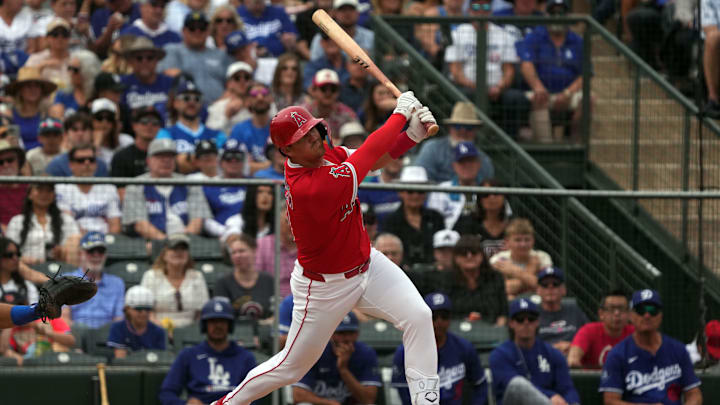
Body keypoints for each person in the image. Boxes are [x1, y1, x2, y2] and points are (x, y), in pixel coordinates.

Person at [209, 93, 440, 405]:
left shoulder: (324, 155)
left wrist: (411, 136)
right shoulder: (310, 186)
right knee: (290, 367)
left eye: (314, 130)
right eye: (303, 138)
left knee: (419, 316)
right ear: (286, 150)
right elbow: (370, 152)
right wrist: (399, 117)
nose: (315, 139)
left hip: (366, 264)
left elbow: (373, 160)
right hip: (324, 287)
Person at [599, 289, 703, 405]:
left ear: (660, 316)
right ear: (631, 316)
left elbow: (694, 394)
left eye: (653, 310)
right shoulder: (618, 354)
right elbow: (610, 401)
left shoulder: (678, 350)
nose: (647, 315)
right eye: (640, 310)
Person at [444, 0, 529, 138]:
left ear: (491, 10)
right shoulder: (458, 33)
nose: (481, 10)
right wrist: (477, 87)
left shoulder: (503, 34)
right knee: (464, 96)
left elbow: (509, 70)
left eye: (486, 6)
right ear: (470, 10)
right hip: (469, 87)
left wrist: (499, 86)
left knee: (515, 98)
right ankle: (472, 138)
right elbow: (456, 71)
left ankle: (508, 140)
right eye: (476, 7)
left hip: (497, 88)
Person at [392, 293, 486, 405]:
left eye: (444, 316)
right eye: (434, 316)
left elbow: (480, 385)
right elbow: (403, 395)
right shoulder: (405, 352)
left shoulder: (464, 347)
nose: (439, 321)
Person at [160, 298, 257, 405]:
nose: (218, 326)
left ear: (230, 325)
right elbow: (167, 393)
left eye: (222, 321)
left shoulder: (245, 357)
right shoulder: (189, 355)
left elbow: (255, 396)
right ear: (204, 325)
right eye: (213, 321)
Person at [517, 0, 586, 142]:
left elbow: (586, 75)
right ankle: (545, 144)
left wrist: (567, 93)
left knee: (588, 99)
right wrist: (538, 87)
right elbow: (526, 65)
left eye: (561, 13)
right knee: (538, 98)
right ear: (546, 15)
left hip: (568, 93)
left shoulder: (577, 41)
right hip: (542, 92)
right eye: (553, 13)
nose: (557, 16)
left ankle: (574, 144)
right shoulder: (535, 36)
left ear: (568, 16)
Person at [489, 298, 581, 405]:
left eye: (531, 319)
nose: (526, 323)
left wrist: (572, 402)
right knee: (518, 384)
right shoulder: (500, 354)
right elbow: (515, 389)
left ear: (537, 322)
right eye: (520, 319)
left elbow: (567, 388)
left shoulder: (552, 353)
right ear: (511, 323)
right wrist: (549, 396)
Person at [121, 138, 212, 239]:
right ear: (148, 161)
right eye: (160, 156)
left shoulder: (189, 183)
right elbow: (140, 225)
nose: (166, 160)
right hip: (151, 242)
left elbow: (197, 221)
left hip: (187, 241)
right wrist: (167, 243)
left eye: (170, 156)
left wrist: (183, 240)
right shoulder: (136, 185)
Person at [292, 312, 382, 405]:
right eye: (341, 333)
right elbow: (298, 395)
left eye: (351, 333)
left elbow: (368, 400)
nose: (346, 338)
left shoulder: (366, 353)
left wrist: (343, 370)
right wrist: (329, 403)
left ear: (357, 334)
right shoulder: (313, 352)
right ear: (330, 333)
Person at [158, 12, 232, 103]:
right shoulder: (172, 50)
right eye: (192, 28)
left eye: (202, 28)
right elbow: (170, 74)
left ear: (208, 31)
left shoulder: (221, 55)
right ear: (183, 31)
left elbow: (235, 81)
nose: (197, 32)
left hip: (219, 108)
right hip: (186, 107)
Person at [141, 233, 210, 330]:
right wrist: (163, 331)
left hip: (190, 332)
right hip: (157, 330)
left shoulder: (197, 277)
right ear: (164, 254)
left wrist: (192, 332)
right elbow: (146, 311)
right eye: (174, 248)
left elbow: (202, 312)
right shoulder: (151, 276)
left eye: (183, 249)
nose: (179, 252)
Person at [413, 101, 494, 184]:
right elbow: (419, 183)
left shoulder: (484, 160)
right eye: (458, 126)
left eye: (469, 127)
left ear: (476, 130)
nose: (463, 131)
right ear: (450, 128)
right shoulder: (432, 149)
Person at [156, 80, 226, 173]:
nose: (192, 102)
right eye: (186, 98)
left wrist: (188, 159)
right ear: (176, 103)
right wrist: (208, 159)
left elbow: (226, 164)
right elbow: (173, 164)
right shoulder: (165, 133)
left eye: (197, 99)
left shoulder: (218, 135)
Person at [382, 166, 445, 266]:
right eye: (410, 191)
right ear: (401, 192)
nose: (415, 195)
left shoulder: (436, 218)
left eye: (420, 191)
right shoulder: (391, 221)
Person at [54, 144, 122, 234]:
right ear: (71, 165)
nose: (87, 163)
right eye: (81, 160)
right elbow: (67, 223)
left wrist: (109, 242)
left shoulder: (109, 189)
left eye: (91, 160)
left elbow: (115, 224)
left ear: (96, 164)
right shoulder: (60, 189)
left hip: (104, 240)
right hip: (73, 240)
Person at [6, 183, 81, 264]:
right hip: (26, 269)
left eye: (49, 191)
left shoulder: (66, 220)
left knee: (76, 238)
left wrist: (62, 251)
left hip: (60, 269)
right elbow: (8, 253)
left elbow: (76, 248)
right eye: (39, 190)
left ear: (54, 195)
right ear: (29, 194)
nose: (44, 194)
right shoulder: (17, 221)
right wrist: (28, 260)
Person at [63, 232, 125, 328]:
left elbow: (119, 319)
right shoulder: (66, 280)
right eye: (91, 251)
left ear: (105, 255)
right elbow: (63, 318)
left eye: (100, 251)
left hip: (106, 338)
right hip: (76, 336)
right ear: (80, 254)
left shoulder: (117, 284)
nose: (96, 255)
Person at [427, 141, 487, 229]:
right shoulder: (441, 190)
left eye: (470, 161)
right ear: (454, 166)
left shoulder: (489, 191)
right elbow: (432, 221)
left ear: (479, 164)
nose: (467, 165)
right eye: (462, 162)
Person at [568, 289, 633, 369]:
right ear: (601, 314)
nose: (617, 313)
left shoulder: (635, 333)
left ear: (629, 313)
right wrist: (574, 360)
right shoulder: (589, 330)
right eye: (611, 308)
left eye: (621, 309)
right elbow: (573, 359)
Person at [214, 234, 274, 320]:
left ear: (254, 251)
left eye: (242, 251)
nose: (237, 256)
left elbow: (277, 313)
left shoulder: (268, 280)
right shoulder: (223, 283)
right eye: (234, 252)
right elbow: (220, 316)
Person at [489, 218, 552, 300]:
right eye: (518, 240)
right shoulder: (498, 259)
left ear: (533, 240)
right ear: (507, 242)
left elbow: (547, 288)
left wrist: (513, 271)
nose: (523, 244)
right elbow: (498, 290)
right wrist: (531, 271)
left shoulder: (542, 257)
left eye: (527, 240)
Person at [535, 267, 588, 356]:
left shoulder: (574, 310)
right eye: (545, 285)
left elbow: (588, 335)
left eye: (555, 284)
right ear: (538, 290)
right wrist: (552, 348)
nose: (550, 288)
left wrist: (574, 347)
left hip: (572, 358)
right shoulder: (532, 314)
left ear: (563, 289)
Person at [120, 36, 174, 121]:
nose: (144, 62)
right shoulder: (121, 84)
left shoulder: (171, 83)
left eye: (150, 58)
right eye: (139, 58)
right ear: (130, 62)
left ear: (157, 61)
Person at [453, 178, 510, 259]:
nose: (492, 197)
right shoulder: (466, 223)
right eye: (486, 194)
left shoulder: (513, 224)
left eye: (496, 193)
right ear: (480, 199)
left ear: (504, 197)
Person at [203, 140, 249, 238]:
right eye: (228, 157)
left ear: (244, 161)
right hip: (220, 236)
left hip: (250, 234)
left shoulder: (254, 184)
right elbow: (204, 218)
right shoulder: (209, 186)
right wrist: (224, 232)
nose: (233, 161)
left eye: (238, 157)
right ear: (221, 162)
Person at [107, 285, 167, 358]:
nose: (144, 313)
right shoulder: (118, 328)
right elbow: (121, 360)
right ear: (127, 309)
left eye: (147, 309)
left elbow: (160, 358)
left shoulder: (159, 331)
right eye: (139, 309)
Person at [110, 106, 163, 187]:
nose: (149, 125)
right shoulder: (121, 157)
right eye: (144, 121)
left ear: (159, 127)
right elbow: (119, 190)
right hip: (132, 199)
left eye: (155, 122)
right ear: (134, 126)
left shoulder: (166, 156)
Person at [46, 112, 111, 177]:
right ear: (65, 135)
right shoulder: (56, 164)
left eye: (84, 129)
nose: (80, 134)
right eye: (75, 129)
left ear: (92, 133)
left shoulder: (101, 165)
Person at [228, 83, 274, 174]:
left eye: (264, 93)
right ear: (247, 101)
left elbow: (287, 163)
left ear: (271, 98)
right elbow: (236, 166)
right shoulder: (239, 130)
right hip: (247, 185)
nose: (260, 97)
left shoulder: (281, 128)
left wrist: (252, 166)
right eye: (254, 94)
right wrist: (271, 165)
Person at [6, 67, 57, 150]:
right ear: (20, 90)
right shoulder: (9, 114)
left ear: (41, 90)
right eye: (28, 86)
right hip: (20, 157)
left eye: (37, 86)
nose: (33, 90)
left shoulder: (50, 111)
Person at [308, 0, 374, 61]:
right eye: (342, 9)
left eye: (351, 9)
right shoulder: (322, 38)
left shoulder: (370, 37)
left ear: (358, 13)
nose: (347, 13)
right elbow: (314, 66)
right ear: (334, 13)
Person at [302, 69, 358, 139]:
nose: (328, 93)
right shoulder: (303, 114)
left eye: (333, 89)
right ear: (314, 90)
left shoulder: (348, 114)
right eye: (323, 89)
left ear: (338, 92)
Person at [255, 208, 297, 298]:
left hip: (304, 302)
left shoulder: (311, 247)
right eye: (287, 221)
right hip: (273, 301)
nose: (292, 225)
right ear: (278, 223)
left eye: (298, 221)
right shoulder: (262, 244)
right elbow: (257, 280)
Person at [49, 50, 101, 119]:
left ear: (88, 72)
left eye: (75, 70)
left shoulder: (98, 95)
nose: (71, 73)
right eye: (69, 68)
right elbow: (57, 120)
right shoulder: (63, 94)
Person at [25, 18, 73, 90]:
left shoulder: (76, 60)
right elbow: (24, 83)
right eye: (55, 34)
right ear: (47, 38)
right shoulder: (35, 59)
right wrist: (41, 66)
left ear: (69, 38)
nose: (60, 38)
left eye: (64, 34)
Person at [207, 62, 254, 135]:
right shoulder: (218, 106)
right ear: (229, 83)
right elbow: (210, 134)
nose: (242, 81)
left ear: (251, 82)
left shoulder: (258, 104)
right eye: (237, 78)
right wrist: (227, 116)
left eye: (246, 77)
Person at [357, 155, 402, 229]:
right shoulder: (367, 188)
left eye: (401, 157)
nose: (396, 159)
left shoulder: (412, 189)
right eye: (391, 156)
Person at [90, 98, 133, 166]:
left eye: (109, 118)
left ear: (114, 123)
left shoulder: (126, 141)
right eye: (99, 117)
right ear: (92, 121)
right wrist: (96, 145)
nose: (104, 122)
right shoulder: (85, 141)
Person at [0, 140, 29, 232]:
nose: (6, 165)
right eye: (0, 162)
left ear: (18, 161)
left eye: (10, 160)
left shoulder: (31, 188)